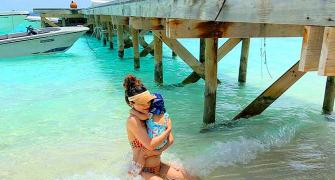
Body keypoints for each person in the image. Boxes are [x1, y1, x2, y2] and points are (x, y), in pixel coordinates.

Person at [124, 74, 197, 179]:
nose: (147, 105)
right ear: (131, 103)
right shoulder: (133, 121)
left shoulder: (150, 115)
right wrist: (168, 130)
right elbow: (150, 145)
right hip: (141, 171)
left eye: (148, 101)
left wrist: (160, 150)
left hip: (159, 166)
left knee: (192, 177)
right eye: (142, 103)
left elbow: (171, 140)